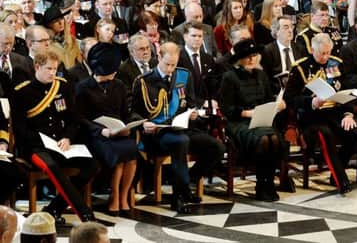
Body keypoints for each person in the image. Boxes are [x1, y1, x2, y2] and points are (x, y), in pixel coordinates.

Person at [131, 42, 225, 213]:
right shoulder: (144, 81)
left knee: (216, 147)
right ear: (158, 57)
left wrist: (193, 112)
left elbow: (190, 102)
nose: (170, 69)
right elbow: (133, 112)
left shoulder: (183, 75)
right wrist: (144, 123)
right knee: (180, 142)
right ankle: (178, 197)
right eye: (167, 64)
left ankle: (187, 182)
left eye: (174, 65)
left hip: (182, 127)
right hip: (158, 133)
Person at [11, 51, 97, 223]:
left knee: (92, 165)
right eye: (48, 69)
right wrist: (44, 143)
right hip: (35, 147)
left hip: (60, 143)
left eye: (55, 69)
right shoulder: (22, 92)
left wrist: (67, 138)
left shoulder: (63, 87)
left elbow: (73, 119)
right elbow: (21, 130)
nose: (52, 73)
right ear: (37, 67)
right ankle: (85, 215)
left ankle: (52, 210)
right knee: (52, 167)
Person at [284, 33, 357, 194]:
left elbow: (347, 91)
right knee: (325, 135)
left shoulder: (337, 64)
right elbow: (289, 98)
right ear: (312, 49)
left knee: (355, 135)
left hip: (335, 112)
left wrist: (348, 114)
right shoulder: (301, 67)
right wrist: (310, 102)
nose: (326, 57)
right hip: (311, 116)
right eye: (322, 53)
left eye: (329, 52)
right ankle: (341, 180)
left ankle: (335, 176)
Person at [77, 43, 138, 216]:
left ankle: (124, 194)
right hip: (95, 135)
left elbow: (126, 112)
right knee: (119, 153)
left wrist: (127, 127)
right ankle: (115, 196)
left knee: (132, 150)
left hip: (118, 132)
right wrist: (100, 131)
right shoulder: (83, 87)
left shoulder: (118, 85)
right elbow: (80, 117)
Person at [221, 39, 286, 201]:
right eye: (247, 56)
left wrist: (278, 105)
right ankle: (261, 183)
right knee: (264, 138)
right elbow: (227, 109)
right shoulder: (229, 77)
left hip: (260, 120)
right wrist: (247, 113)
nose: (252, 59)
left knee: (274, 138)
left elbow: (267, 100)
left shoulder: (261, 75)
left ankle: (268, 182)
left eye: (255, 55)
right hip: (239, 122)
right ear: (240, 59)